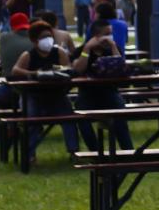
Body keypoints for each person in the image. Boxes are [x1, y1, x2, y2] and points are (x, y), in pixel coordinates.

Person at [12, 21, 99, 161]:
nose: (48, 39)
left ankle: (74, 152)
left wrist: (58, 71)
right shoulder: (28, 55)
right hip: (33, 95)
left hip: (56, 95)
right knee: (31, 119)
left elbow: (68, 69)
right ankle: (29, 154)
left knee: (69, 119)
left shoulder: (58, 52)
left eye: (49, 36)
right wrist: (34, 73)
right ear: (34, 41)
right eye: (44, 37)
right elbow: (16, 70)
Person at [71, 20, 133, 150]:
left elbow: (121, 66)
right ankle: (95, 152)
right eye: (107, 34)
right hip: (87, 94)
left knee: (120, 115)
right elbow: (78, 70)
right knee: (81, 118)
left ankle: (128, 152)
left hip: (110, 92)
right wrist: (87, 49)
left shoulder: (112, 49)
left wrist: (114, 47)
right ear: (96, 36)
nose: (110, 37)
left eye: (111, 33)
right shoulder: (82, 50)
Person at [0, 12, 34, 112]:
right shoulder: (36, 39)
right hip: (34, 84)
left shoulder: (4, 38)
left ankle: (8, 125)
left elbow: (1, 58)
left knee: (1, 94)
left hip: (10, 85)